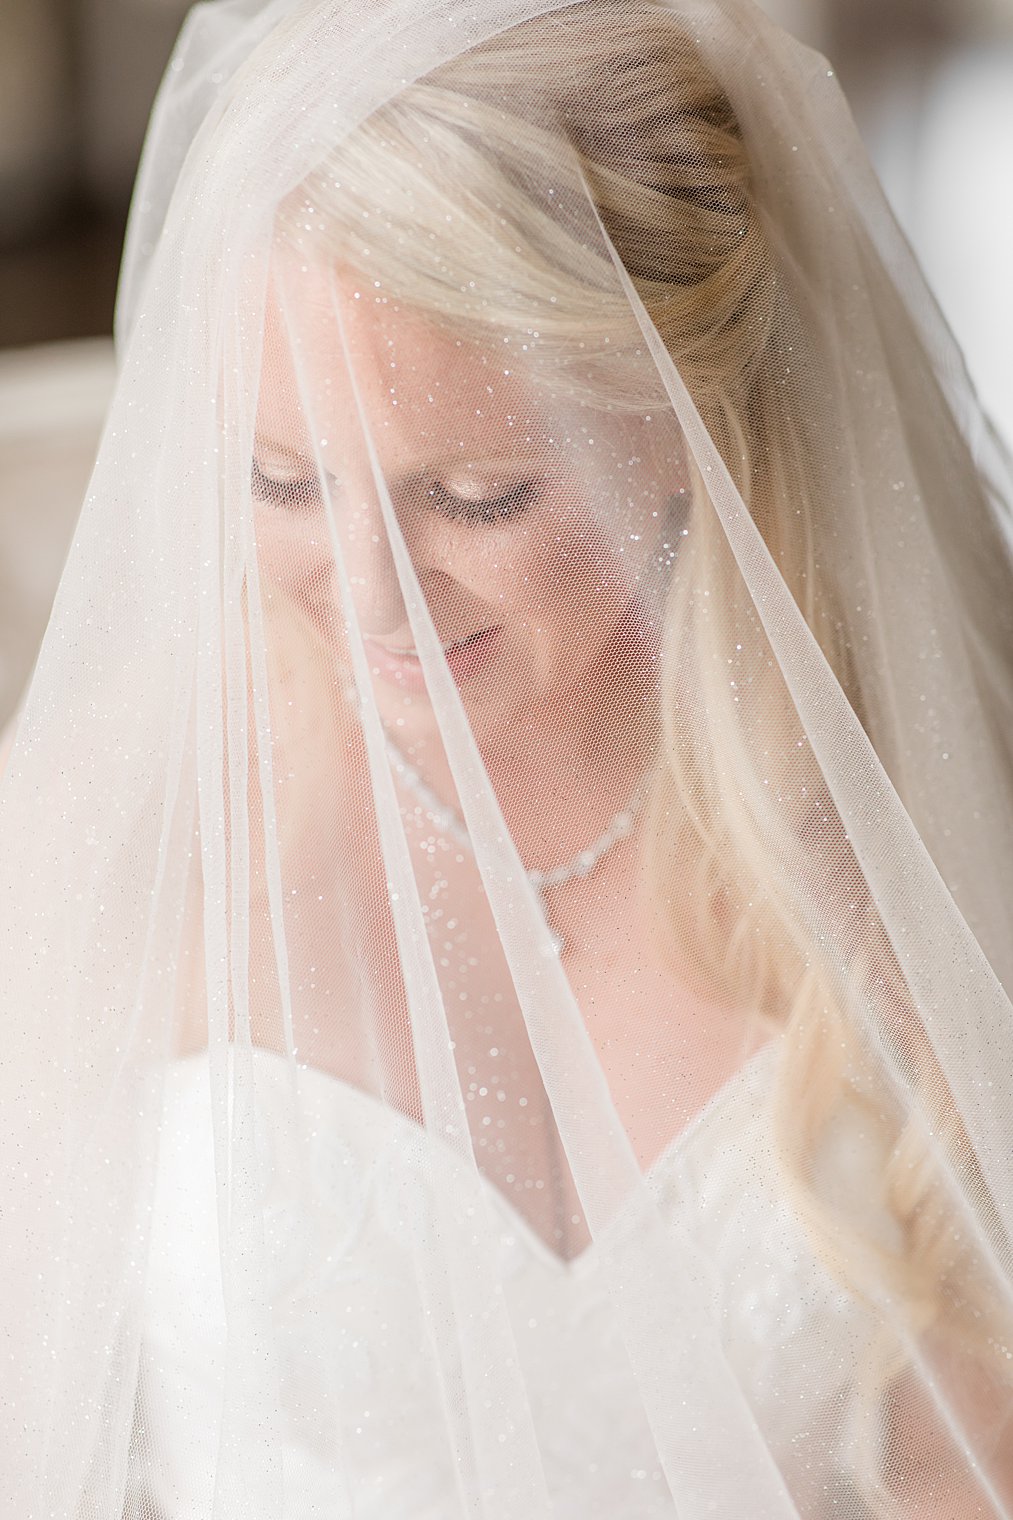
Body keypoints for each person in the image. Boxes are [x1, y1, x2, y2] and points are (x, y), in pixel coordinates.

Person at [2, 0, 1012, 1515]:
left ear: (682, 431)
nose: (363, 590)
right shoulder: (125, 817)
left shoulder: (899, 814)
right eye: (279, 478)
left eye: (474, 496)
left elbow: (968, 1448)